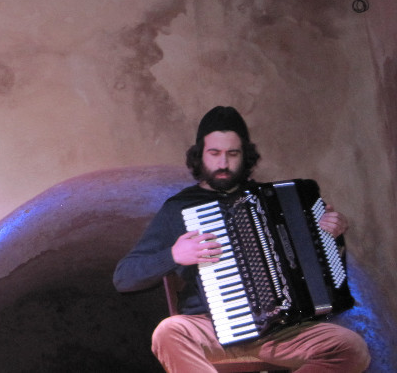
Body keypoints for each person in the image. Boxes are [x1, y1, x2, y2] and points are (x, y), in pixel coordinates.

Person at [113, 106, 370, 372]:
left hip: (278, 331)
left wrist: (329, 236)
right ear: (200, 155)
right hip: (210, 329)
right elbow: (124, 277)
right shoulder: (178, 209)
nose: (223, 164)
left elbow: (318, 270)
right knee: (167, 333)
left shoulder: (274, 200)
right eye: (214, 153)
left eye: (232, 154)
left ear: (245, 155)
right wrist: (173, 255)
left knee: (351, 347)